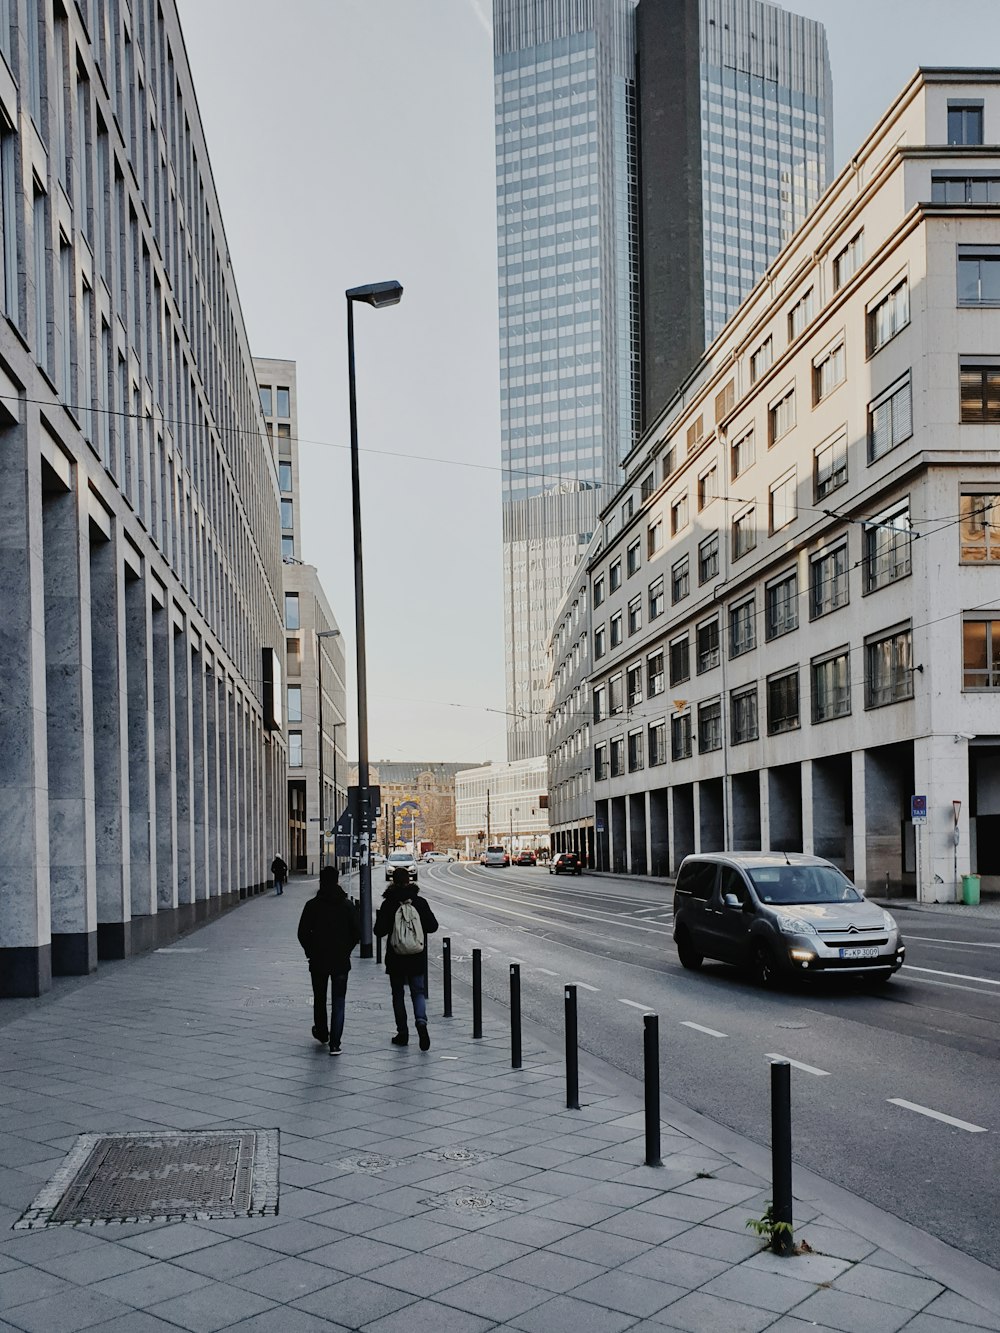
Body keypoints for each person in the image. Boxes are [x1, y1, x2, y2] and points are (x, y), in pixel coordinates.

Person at [296, 866, 361, 1055]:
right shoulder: (347, 905)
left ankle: (322, 1032)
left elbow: (302, 933)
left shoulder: (312, 905)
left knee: (320, 998)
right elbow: (356, 933)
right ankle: (335, 1044)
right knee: (339, 1000)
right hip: (341, 960)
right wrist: (346, 949)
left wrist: (310, 951)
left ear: (320, 882)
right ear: (337, 881)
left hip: (318, 960)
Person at [374, 867, 438, 1050]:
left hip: (396, 957)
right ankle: (421, 1023)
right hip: (416, 957)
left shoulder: (389, 903)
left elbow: (378, 931)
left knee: (398, 995)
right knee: (417, 992)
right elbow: (433, 926)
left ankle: (402, 1033)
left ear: (393, 881)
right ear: (409, 880)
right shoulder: (420, 902)